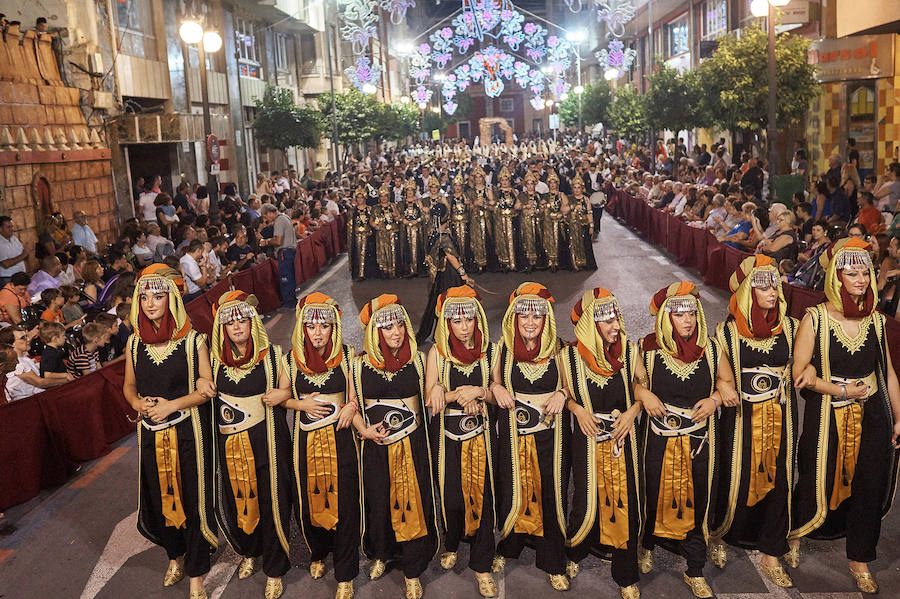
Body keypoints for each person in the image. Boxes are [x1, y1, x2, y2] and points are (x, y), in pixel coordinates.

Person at [789, 238, 900, 594]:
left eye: (865, 272)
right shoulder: (815, 318)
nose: (862, 279)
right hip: (827, 415)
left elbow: (888, 373)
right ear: (836, 277)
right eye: (852, 273)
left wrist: (899, 417)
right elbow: (799, 373)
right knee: (814, 476)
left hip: (873, 415)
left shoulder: (877, 320)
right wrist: (840, 391)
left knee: (870, 483)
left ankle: (860, 560)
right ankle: (795, 534)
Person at [122, 265, 218, 599]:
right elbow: (129, 386)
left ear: (172, 299)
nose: (150, 304)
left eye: (158, 296)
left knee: (192, 499)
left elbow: (206, 389)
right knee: (160, 498)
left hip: (188, 434)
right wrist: (137, 403)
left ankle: (196, 575)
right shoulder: (134, 343)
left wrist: (172, 405)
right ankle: (174, 558)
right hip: (151, 435)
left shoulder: (194, 341)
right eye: (144, 297)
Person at [708, 256, 798, 588]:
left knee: (780, 479)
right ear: (747, 291)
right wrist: (723, 386)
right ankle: (721, 533)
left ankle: (772, 551)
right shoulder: (725, 332)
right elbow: (715, 375)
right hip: (740, 420)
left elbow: (807, 364)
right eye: (763, 286)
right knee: (734, 477)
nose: (772, 292)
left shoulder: (792, 327)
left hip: (781, 417)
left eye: (774, 285)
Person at [638, 282, 730, 599]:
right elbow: (632, 384)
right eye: (679, 314)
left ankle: (695, 569)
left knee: (699, 500)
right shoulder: (648, 349)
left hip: (698, 441)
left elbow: (727, 384)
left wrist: (715, 400)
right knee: (651, 494)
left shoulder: (712, 349)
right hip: (657, 440)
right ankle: (647, 544)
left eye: (691, 313)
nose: (687, 320)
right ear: (666, 317)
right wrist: (644, 394)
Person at [563, 288, 652, 599]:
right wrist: (577, 410)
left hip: (622, 438)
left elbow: (642, 387)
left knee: (626, 501)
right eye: (609, 322)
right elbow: (565, 395)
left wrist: (632, 412)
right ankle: (575, 552)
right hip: (587, 440)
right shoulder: (569, 357)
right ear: (591, 324)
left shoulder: (629, 351)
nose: (617, 326)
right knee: (584, 501)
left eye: (617, 319)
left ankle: (626, 575)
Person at [272, 293, 362, 599]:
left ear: (334, 327)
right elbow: (282, 397)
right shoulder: (290, 360)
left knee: (345, 502)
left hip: (342, 441)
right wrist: (301, 404)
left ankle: (346, 574)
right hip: (306, 443)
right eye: (311, 327)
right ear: (303, 328)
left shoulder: (348, 356)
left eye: (324, 326)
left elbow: (355, 396)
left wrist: (351, 407)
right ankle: (318, 552)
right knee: (309, 501)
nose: (318, 333)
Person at [353, 294, 439, 599]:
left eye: (400, 325)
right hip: (376, 449)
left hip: (412, 446)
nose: (396, 332)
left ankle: (412, 569)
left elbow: (431, 393)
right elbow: (352, 404)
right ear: (375, 332)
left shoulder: (419, 359)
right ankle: (382, 554)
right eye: (388, 327)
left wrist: (442, 388)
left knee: (413, 503)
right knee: (378, 502)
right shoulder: (358, 365)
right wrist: (363, 429)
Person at [207, 291, 291, 599]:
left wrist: (284, 394)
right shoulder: (213, 360)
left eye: (242, 320)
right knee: (239, 500)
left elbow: (290, 388)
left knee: (272, 502)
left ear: (253, 322)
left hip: (267, 442)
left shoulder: (273, 355)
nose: (237, 327)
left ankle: (275, 569)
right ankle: (250, 552)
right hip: (231, 446)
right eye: (230, 323)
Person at [490, 283, 570, 591]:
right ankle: (510, 545)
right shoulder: (503, 349)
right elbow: (494, 383)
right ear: (515, 318)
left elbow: (573, 386)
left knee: (551, 494)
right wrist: (496, 387)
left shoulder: (560, 349)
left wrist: (563, 393)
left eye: (537, 316)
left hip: (551, 437)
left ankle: (553, 561)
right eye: (524, 316)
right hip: (515, 439)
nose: (530, 323)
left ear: (546, 319)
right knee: (514, 491)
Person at [424, 286, 498, 598]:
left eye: (469, 320)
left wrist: (479, 392)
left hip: (481, 437)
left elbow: (498, 393)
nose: (464, 327)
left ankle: (482, 566)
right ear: (447, 323)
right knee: (452, 499)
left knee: (484, 500)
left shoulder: (491, 351)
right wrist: (460, 394)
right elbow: (430, 399)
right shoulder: (437, 353)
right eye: (457, 321)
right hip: (447, 438)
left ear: (477, 319)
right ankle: (452, 541)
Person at [259, 204, 297, 307]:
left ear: (270, 213)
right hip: (290, 251)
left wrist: (267, 242)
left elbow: (278, 240)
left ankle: (289, 304)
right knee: (290, 277)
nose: (266, 219)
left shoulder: (279, 220)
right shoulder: (285, 217)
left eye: (266, 217)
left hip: (284, 252)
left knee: (285, 279)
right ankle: (292, 301)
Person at [370, 184, 401, 279]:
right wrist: (377, 227)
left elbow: (398, 218)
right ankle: (384, 272)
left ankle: (394, 271)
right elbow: (371, 221)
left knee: (393, 251)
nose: (383, 198)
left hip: (392, 232)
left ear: (388, 197)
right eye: (382, 196)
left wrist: (395, 214)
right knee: (382, 252)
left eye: (385, 196)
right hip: (381, 233)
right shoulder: (375, 208)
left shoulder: (393, 205)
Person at [347, 186, 372, 282]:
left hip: (368, 235)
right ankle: (359, 273)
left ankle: (366, 273)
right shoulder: (352, 211)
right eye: (358, 197)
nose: (360, 199)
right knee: (358, 253)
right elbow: (350, 226)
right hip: (357, 235)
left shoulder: (369, 209)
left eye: (361, 197)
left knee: (366, 253)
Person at [0, 215, 28, 287]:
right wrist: (23, 255)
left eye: (12, 226)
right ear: (0, 229)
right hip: (8, 278)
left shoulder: (14, 238)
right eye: (8, 227)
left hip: (21, 276)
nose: (12, 229)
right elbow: (5, 264)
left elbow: (24, 254)